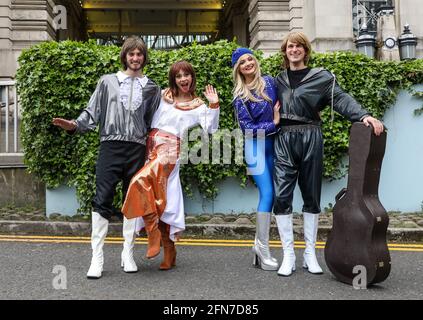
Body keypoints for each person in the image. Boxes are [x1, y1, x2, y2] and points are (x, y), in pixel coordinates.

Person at [273, 32, 384, 277]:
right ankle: (288, 255)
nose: (294, 50)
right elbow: (257, 101)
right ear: (285, 50)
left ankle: (309, 254)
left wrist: (363, 115)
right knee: (282, 197)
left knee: (311, 196)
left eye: (299, 46)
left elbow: (342, 100)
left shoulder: (322, 77)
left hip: (311, 136)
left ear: (305, 50)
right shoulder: (276, 80)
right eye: (290, 46)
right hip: (284, 138)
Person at [52, 36, 161, 279]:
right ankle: (97, 258)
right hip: (110, 147)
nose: (135, 58)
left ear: (144, 58)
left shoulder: (153, 87)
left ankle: (128, 254)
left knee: (132, 201)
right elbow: (91, 112)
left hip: (137, 149)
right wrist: (73, 125)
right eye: (131, 54)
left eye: (139, 54)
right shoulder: (107, 82)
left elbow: (154, 123)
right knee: (102, 199)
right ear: (125, 56)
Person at [121, 60, 220, 270]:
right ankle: (169, 250)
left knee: (140, 181)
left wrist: (213, 104)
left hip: (170, 150)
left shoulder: (198, 105)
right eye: (178, 76)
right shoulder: (163, 95)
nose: (183, 79)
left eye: (187, 75)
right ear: (173, 79)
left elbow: (210, 129)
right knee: (159, 198)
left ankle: (153, 233)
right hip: (150, 146)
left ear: (192, 77)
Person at [231, 48, 281, 271]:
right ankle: (263, 249)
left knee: (271, 194)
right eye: (243, 62)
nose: (248, 63)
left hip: (273, 147)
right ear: (238, 69)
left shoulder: (270, 82)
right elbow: (247, 129)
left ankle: (257, 246)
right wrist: (274, 124)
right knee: (268, 193)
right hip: (254, 148)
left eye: (250, 58)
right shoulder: (240, 96)